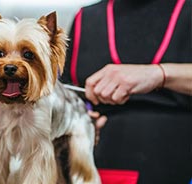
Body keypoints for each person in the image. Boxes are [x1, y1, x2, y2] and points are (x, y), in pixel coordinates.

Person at [60, 0, 192, 183]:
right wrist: (82, 120)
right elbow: (67, 96)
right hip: (100, 168)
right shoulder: (87, 18)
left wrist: (159, 74)